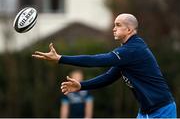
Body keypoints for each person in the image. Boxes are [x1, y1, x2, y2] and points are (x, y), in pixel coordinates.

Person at [32, 13, 177, 118]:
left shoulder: (132, 50)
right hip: (145, 112)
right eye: (114, 25)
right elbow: (108, 77)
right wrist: (82, 86)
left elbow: (96, 60)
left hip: (162, 110)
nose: (114, 28)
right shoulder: (127, 53)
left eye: (118, 25)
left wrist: (61, 58)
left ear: (129, 30)